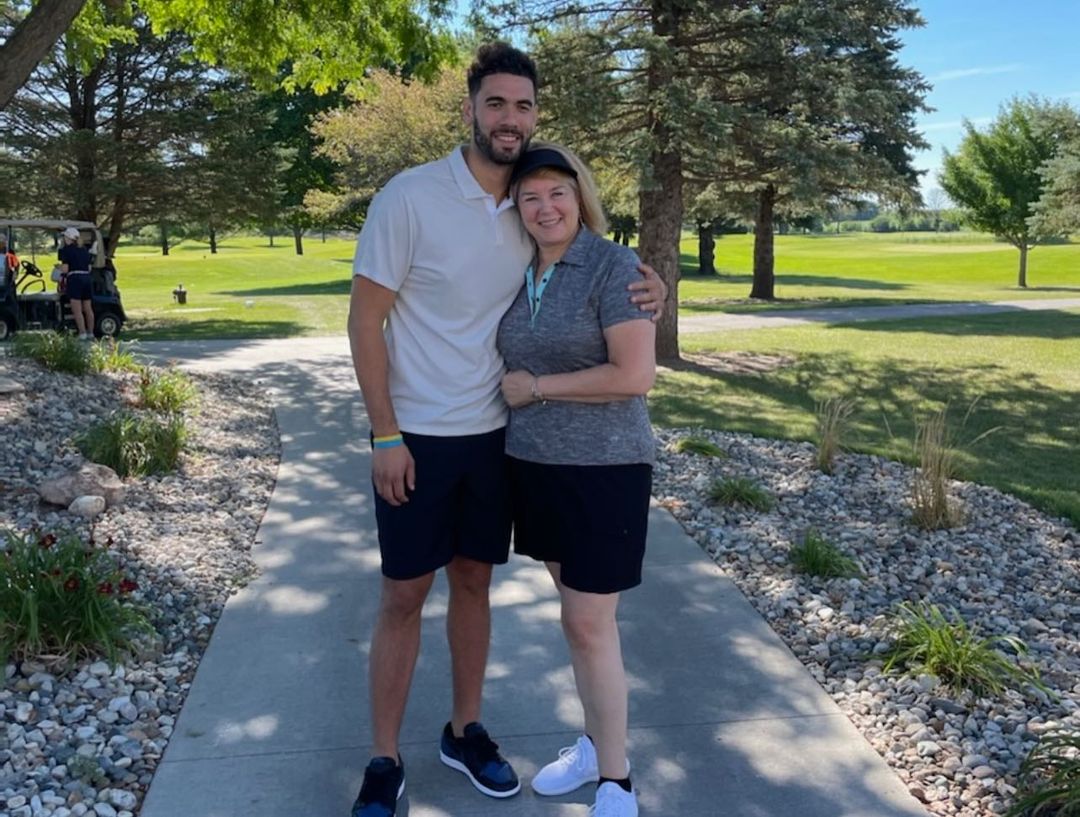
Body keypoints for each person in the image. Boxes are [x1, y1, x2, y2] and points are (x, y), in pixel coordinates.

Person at [346, 43, 665, 817]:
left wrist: (651, 284)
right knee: (401, 592)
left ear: (535, 115)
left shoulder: (529, 206)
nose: (510, 118)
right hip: (416, 435)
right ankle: (384, 759)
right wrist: (385, 432)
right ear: (470, 109)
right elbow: (364, 319)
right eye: (496, 104)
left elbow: (589, 255)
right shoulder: (411, 196)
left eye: (523, 106)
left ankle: (465, 730)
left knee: (474, 584)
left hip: (498, 439)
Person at [496, 144, 655, 817]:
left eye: (557, 192)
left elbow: (633, 375)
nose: (545, 207)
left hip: (605, 470)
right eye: (530, 197)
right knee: (574, 615)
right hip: (537, 467)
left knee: (591, 621)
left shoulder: (613, 264)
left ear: (580, 196)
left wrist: (535, 387)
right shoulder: (521, 268)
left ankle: (616, 779)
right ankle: (593, 745)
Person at [58, 227, 94, 339]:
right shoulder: (84, 250)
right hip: (86, 278)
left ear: (68, 238)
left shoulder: (66, 250)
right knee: (87, 308)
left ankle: (82, 332)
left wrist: (59, 269)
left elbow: (65, 269)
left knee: (77, 309)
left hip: (75, 279)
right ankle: (90, 332)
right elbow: (89, 267)